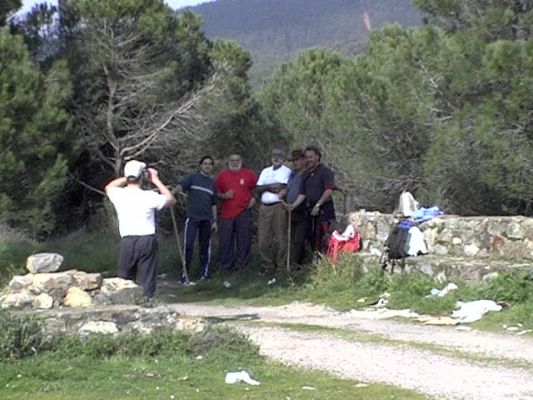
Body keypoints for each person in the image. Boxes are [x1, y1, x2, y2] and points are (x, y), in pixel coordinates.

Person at [105, 160, 176, 299]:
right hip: (146, 239)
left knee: (124, 278)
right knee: (146, 278)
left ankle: (124, 301)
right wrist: (155, 180)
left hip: (127, 241)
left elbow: (109, 187)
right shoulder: (149, 196)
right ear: (141, 177)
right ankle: (146, 300)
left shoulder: (119, 195)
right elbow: (171, 199)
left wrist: (127, 177)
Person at [175, 156, 218, 282]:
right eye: (205, 164)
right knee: (188, 245)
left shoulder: (212, 184)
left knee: (205, 247)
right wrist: (170, 194)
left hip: (206, 219)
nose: (207, 166)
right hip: (193, 217)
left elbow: (214, 204)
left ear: (212, 167)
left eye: (210, 164)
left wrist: (215, 221)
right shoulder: (193, 178)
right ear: (200, 165)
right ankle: (185, 274)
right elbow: (181, 186)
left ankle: (204, 274)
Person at [215, 154, 257, 271]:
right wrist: (224, 195)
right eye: (232, 160)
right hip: (226, 213)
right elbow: (215, 193)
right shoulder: (221, 175)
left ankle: (242, 266)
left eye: (237, 160)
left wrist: (254, 199)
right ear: (228, 162)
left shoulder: (249, 174)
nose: (234, 162)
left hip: (244, 211)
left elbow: (257, 188)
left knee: (244, 240)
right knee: (225, 240)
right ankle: (225, 266)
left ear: (241, 161)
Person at [255, 148, 292, 274]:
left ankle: (281, 266)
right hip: (264, 207)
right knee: (263, 239)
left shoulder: (287, 171)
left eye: (279, 155)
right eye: (274, 155)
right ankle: (267, 266)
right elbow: (258, 188)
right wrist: (271, 186)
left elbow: (283, 187)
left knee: (281, 237)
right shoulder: (265, 171)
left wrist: (266, 187)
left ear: (283, 157)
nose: (276, 158)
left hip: (279, 206)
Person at [302, 145, 336, 253]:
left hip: (324, 211)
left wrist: (318, 205)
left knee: (324, 238)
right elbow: (303, 193)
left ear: (317, 157)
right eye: (307, 157)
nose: (308, 160)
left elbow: (329, 190)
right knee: (311, 238)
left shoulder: (325, 171)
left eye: (311, 157)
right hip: (310, 211)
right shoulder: (307, 174)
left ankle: (324, 260)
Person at [282, 149, 308, 265]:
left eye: (297, 160)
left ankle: (297, 264)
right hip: (290, 210)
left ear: (303, 160)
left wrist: (294, 205)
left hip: (302, 210)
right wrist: (283, 192)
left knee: (299, 239)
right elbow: (288, 188)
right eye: (293, 161)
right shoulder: (292, 174)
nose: (295, 163)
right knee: (291, 238)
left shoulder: (307, 175)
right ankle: (290, 262)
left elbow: (305, 192)